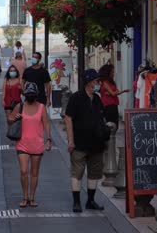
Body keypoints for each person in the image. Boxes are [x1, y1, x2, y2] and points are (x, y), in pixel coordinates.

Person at [64, 69, 107, 213]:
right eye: (96, 81)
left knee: (94, 173)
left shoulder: (97, 99)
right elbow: (68, 117)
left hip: (97, 144)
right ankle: (76, 202)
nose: (98, 84)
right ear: (89, 83)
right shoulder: (76, 98)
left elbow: (102, 118)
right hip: (80, 143)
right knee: (77, 173)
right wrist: (70, 141)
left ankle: (90, 200)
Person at [9, 83, 51, 208]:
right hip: (22, 144)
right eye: (28, 94)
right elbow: (10, 119)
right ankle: (25, 197)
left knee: (34, 173)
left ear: (36, 95)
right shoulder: (19, 106)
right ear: (25, 95)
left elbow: (46, 123)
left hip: (37, 144)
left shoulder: (42, 107)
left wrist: (48, 139)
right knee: (23, 171)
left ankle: (32, 197)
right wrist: (15, 118)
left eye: (32, 95)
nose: (30, 97)